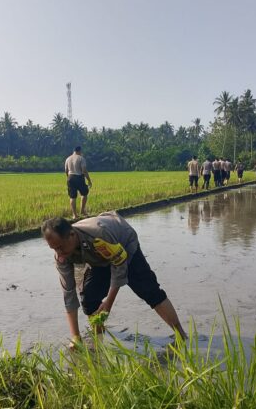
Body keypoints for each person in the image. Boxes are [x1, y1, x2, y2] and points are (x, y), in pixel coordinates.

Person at [42, 212, 187, 347]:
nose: (59, 253)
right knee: (89, 298)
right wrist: (75, 336)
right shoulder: (61, 256)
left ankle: (181, 335)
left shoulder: (98, 235)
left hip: (124, 247)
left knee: (150, 291)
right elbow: (68, 293)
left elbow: (119, 267)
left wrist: (109, 302)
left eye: (60, 247)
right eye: (54, 249)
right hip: (98, 259)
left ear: (72, 234)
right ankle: (98, 340)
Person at [65, 146, 92, 219]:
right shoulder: (81, 158)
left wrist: (69, 178)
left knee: (72, 197)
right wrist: (89, 180)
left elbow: (66, 170)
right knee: (84, 193)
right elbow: (84, 170)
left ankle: (74, 215)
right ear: (79, 151)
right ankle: (82, 211)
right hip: (79, 177)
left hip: (70, 177)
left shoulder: (68, 159)